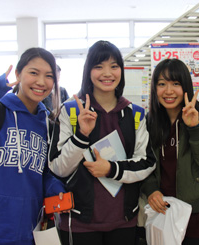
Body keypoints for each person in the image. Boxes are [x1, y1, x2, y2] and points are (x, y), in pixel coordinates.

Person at [48, 40, 156, 245]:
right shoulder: (71, 111)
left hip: (124, 221)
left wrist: (110, 169)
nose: (107, 73)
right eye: (99, 66)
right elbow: (58, 168)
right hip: (78, 221)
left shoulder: (136, 114)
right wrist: (81, 135)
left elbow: (147, 162)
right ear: (88, 71)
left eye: (114, 66)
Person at [0, 47, 65, 245]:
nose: (41, 82)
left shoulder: (47, 125)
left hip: (27, 233)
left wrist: (53, 187)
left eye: (49, 76)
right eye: (33, 73)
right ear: (18, 74)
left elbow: (37, 171)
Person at [141, 58, 199, 245]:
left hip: (198, 215)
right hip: (162, 211)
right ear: (155, 89)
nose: (168, 91)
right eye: (162, 84)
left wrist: (195, 128)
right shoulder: (150, 122)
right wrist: (151, 189)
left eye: (175, 84)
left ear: (185, 86)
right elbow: (144, 161)